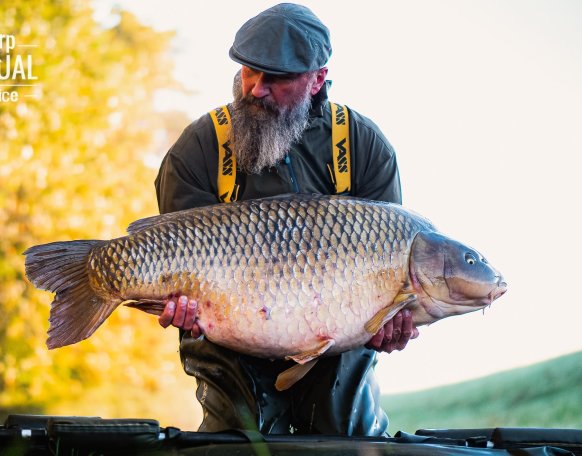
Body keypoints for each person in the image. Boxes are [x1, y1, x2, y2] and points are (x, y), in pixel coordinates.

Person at [154, 3, 418, 436]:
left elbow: (392, 274)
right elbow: (175, 256)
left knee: (346, 435)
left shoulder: (363, 146)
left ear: (317, 79)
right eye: (248, 72)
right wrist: (179, 308)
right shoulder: (200, 146)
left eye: (275, 78)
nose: (256, 89)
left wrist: (392, 323)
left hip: (336, 343)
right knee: (240, 441)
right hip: (231, 338)